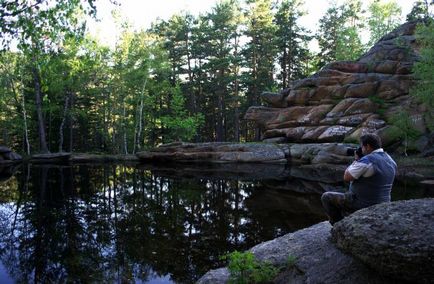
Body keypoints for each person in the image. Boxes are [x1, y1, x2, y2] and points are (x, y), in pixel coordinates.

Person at [321, 133, 397, 225]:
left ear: (367, 146)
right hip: (384, 203)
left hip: (364, 204)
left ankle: (338, 225)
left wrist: (356, 159)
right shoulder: (390, 159)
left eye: (362, 147)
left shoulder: (367, 160)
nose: (361, 149)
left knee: (326, 197)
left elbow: (347, 177)